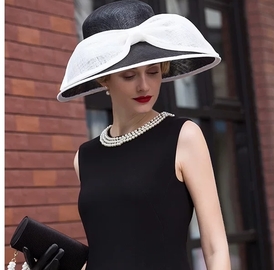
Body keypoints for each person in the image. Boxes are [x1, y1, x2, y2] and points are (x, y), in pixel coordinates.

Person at [24, 1, 231, 269]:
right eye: (129, 75)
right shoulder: (84, 157)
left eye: (153, 72)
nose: (144, 85)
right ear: (104, 80)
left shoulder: (183, 137)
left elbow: (216, 248)